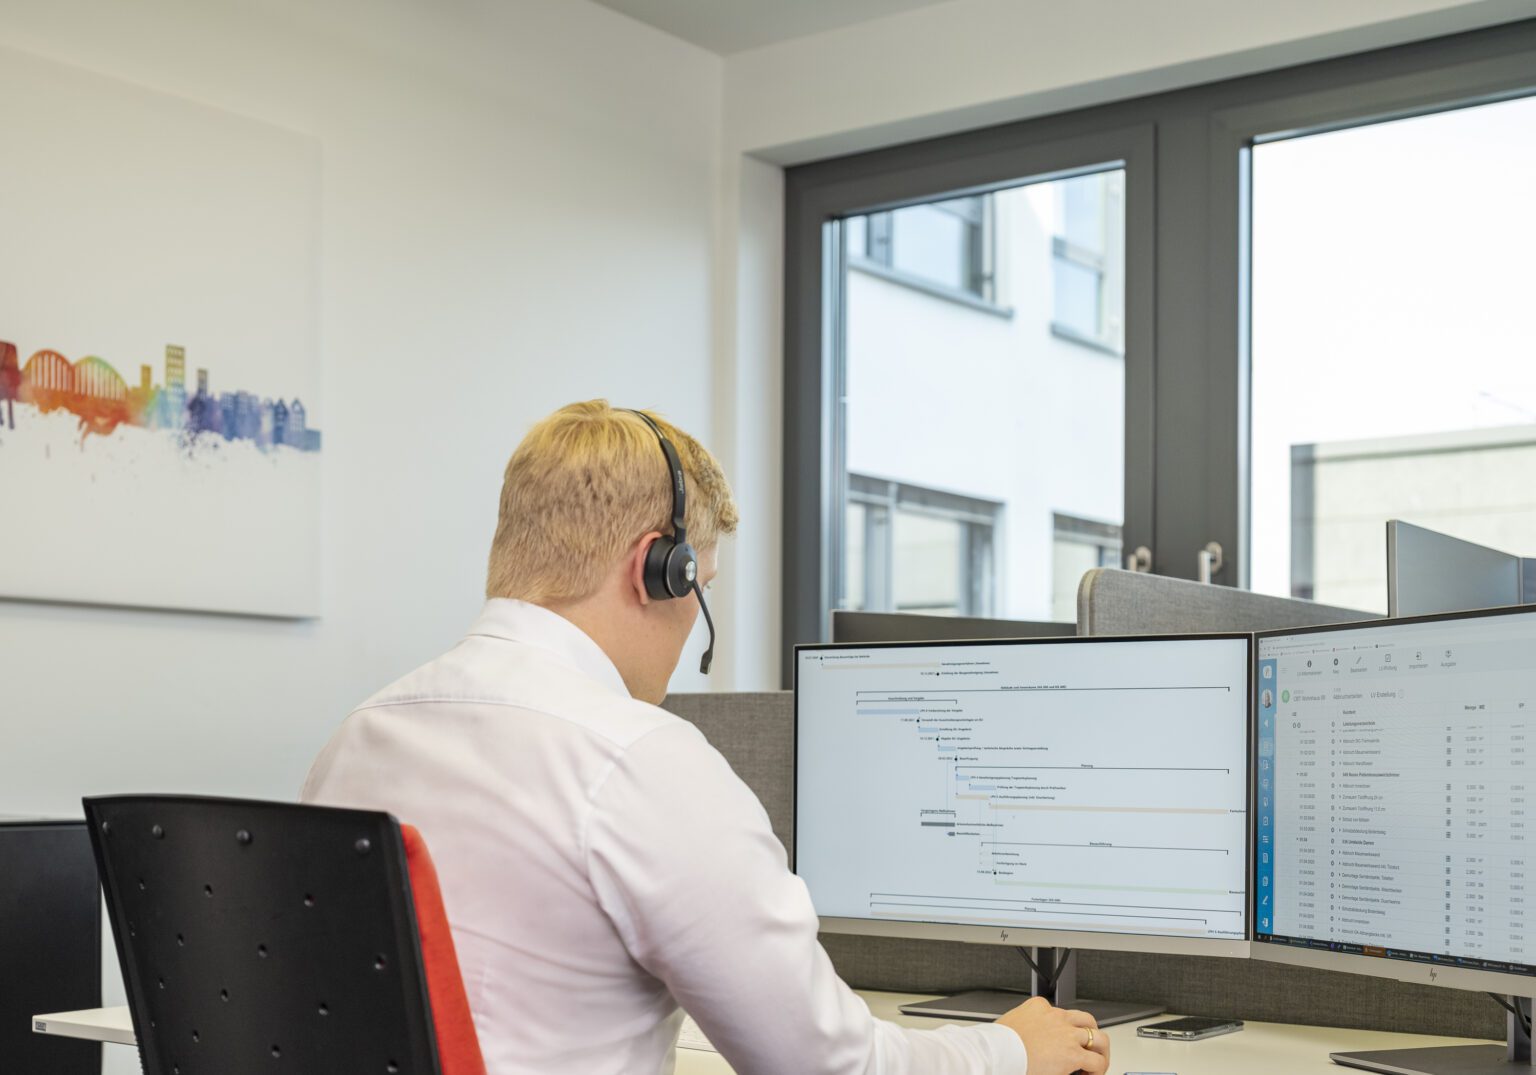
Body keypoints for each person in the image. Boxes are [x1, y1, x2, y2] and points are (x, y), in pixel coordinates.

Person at [301, 400, 1108, 1075]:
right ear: (658, 568)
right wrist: (1007, 1048)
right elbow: (828, 1065)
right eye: (703, 587)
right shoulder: (637, 758)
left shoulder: (360, 736)